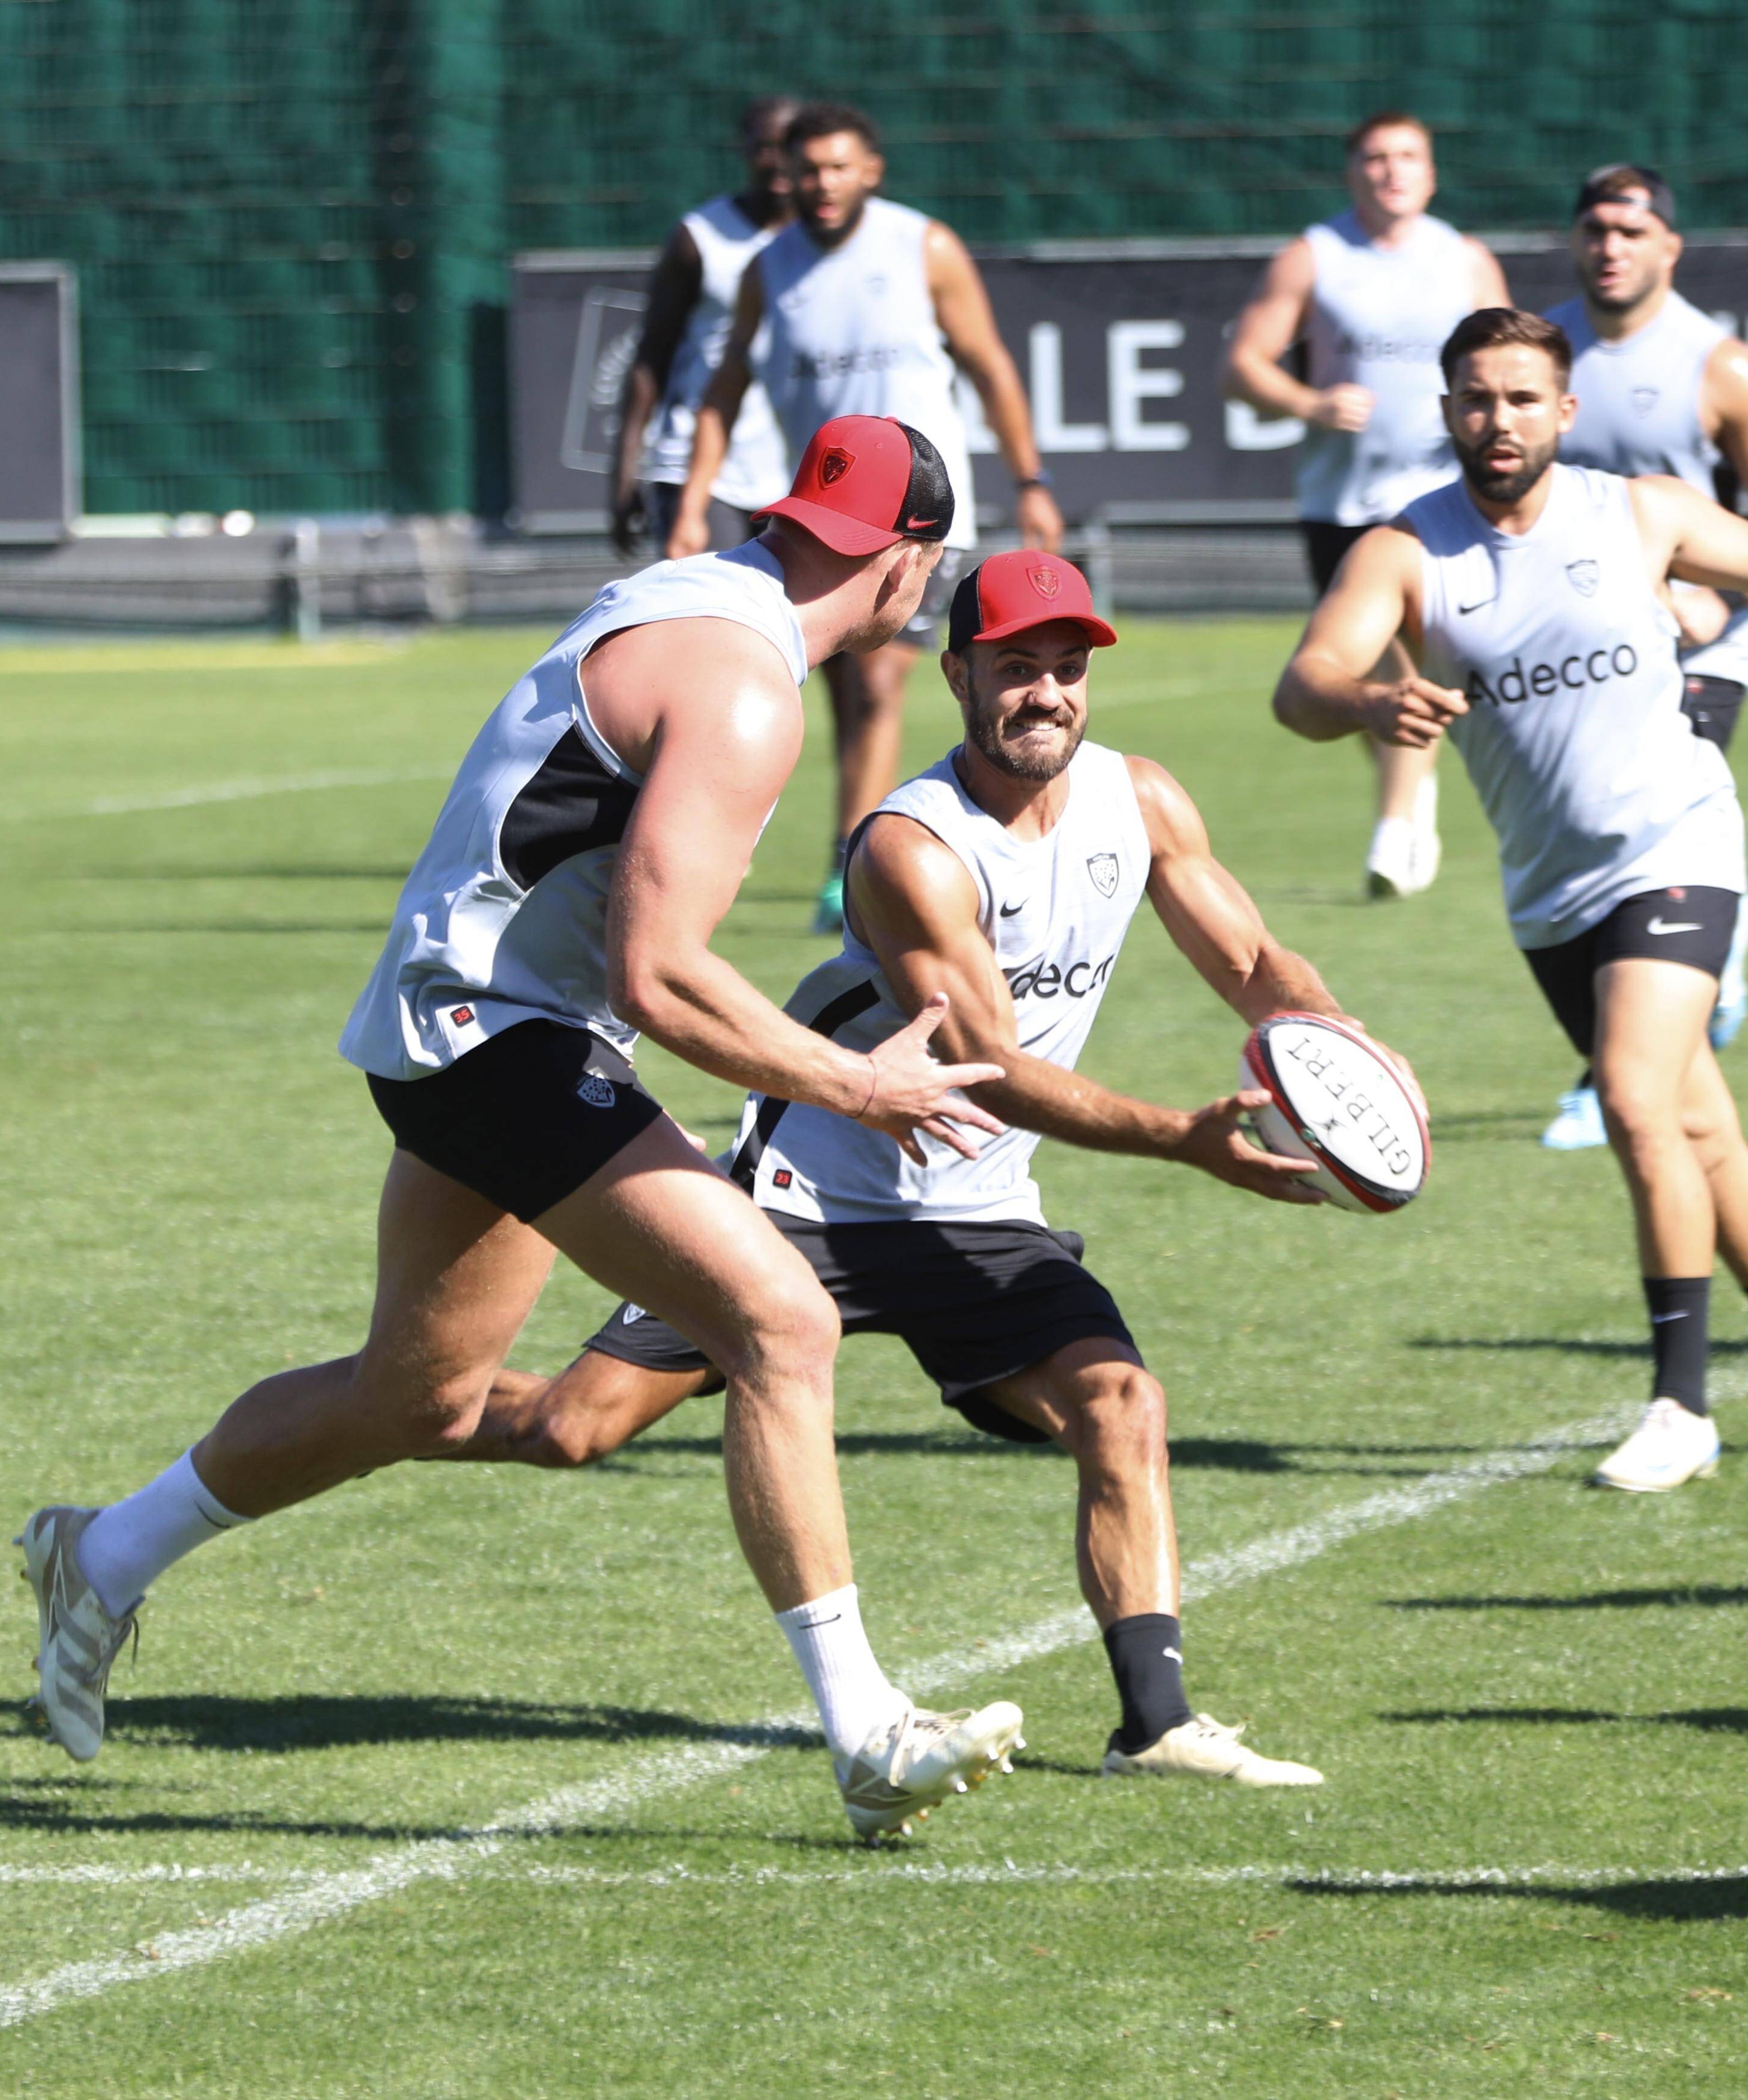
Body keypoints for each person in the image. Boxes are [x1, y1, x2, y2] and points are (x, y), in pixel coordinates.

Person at [21, 417, 1030, 1842]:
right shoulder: (745, 686)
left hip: (459, 1020)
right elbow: (660, 972)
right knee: (782, 1324)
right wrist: (851, 1079)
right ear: (909, 561)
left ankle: (100, 1552)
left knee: (418, 1397)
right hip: (496, 1035)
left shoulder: (693, 596)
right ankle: (866, 1728)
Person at [449, 551, 1365, 1786]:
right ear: (958, 675)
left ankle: (1155, 1723)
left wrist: (1339, 1048)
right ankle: (428, 1403)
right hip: (814, 1196)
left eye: (1066, 666)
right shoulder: (910, 845)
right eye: (1014, 667)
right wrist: (1181, 1142)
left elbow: (1257, 964)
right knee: (574, 1428)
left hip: (980, 1210)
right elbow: (991, 1063)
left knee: (1121, 1404)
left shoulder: (1140, 802)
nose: (1044, 692)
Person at [1274, 308, 1748, 1489]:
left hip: (1677, 842)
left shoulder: (1637, 510)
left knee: (1630, 1097)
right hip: (1547, 888)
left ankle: (1682, 1405)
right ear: (1446, 407)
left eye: (1521, 398)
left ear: (1564, 411)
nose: (1496, 419)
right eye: (1475, 397)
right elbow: (1303, 682)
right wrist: (1365, 704)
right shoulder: (1405, 550)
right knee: (1698, 1129)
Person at [670, 101, 1066, 933]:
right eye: (808, 169)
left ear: (872, 170)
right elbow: (723, 392)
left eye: (839, 167)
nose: (821, 184)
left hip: (923, 515)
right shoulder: (765, 268)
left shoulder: (922, 247)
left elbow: (990, 365)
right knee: (839, 690)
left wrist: (1030, 479)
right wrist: (691, 501)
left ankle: (854, 856)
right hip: (825, 519)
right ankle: (873, 847)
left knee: (883, 677)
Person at [1535, 160, 1748, 1149]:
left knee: (1638, 838)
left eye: (1631, 230)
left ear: (1670, 244)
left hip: (1699, 649)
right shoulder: (1541, 355)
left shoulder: (1722, 365)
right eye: (1595, 229)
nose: (1611, 247)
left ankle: (1604, 1077)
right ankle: (1717, 935)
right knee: (1579, 840)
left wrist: (1719, 587)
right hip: (1572, 651)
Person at [1223, 111, 1510, 901]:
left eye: (1409, 157)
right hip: (1337, 497)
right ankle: (1411, 789)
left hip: (1435, 496)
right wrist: (1309, 402)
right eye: (1377, 158)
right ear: (1354, 172)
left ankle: (1391, 832)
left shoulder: (1464, 260)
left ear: (1432, 171)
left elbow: (1511, 358)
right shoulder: (1315, 256)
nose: (1393, 171)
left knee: (1405, 652)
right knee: (1354, 673)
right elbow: (1242, 366)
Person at [610, 96, 798, 560]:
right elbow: (652, 357)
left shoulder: (831, 242)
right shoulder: (700, 237)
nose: (776, 161)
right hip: (701, 465)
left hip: (797, 468)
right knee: (702, 619)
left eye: (789, 147)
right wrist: (623, 474)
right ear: (744, 150)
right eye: (763, 147)